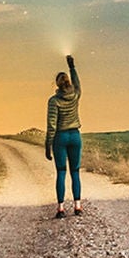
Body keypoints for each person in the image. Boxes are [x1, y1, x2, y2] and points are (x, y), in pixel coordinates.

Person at [44, 53, 83, 218]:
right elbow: (78, 83)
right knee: (75, 172)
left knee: (61, 172)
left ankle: (60, 208)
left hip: (60, 137)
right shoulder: (75, 95)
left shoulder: (54, 101)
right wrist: (72, 66)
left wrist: (48, 146)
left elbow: (51, 125)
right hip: (75, 136)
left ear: (57, 85)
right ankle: (77, 206)